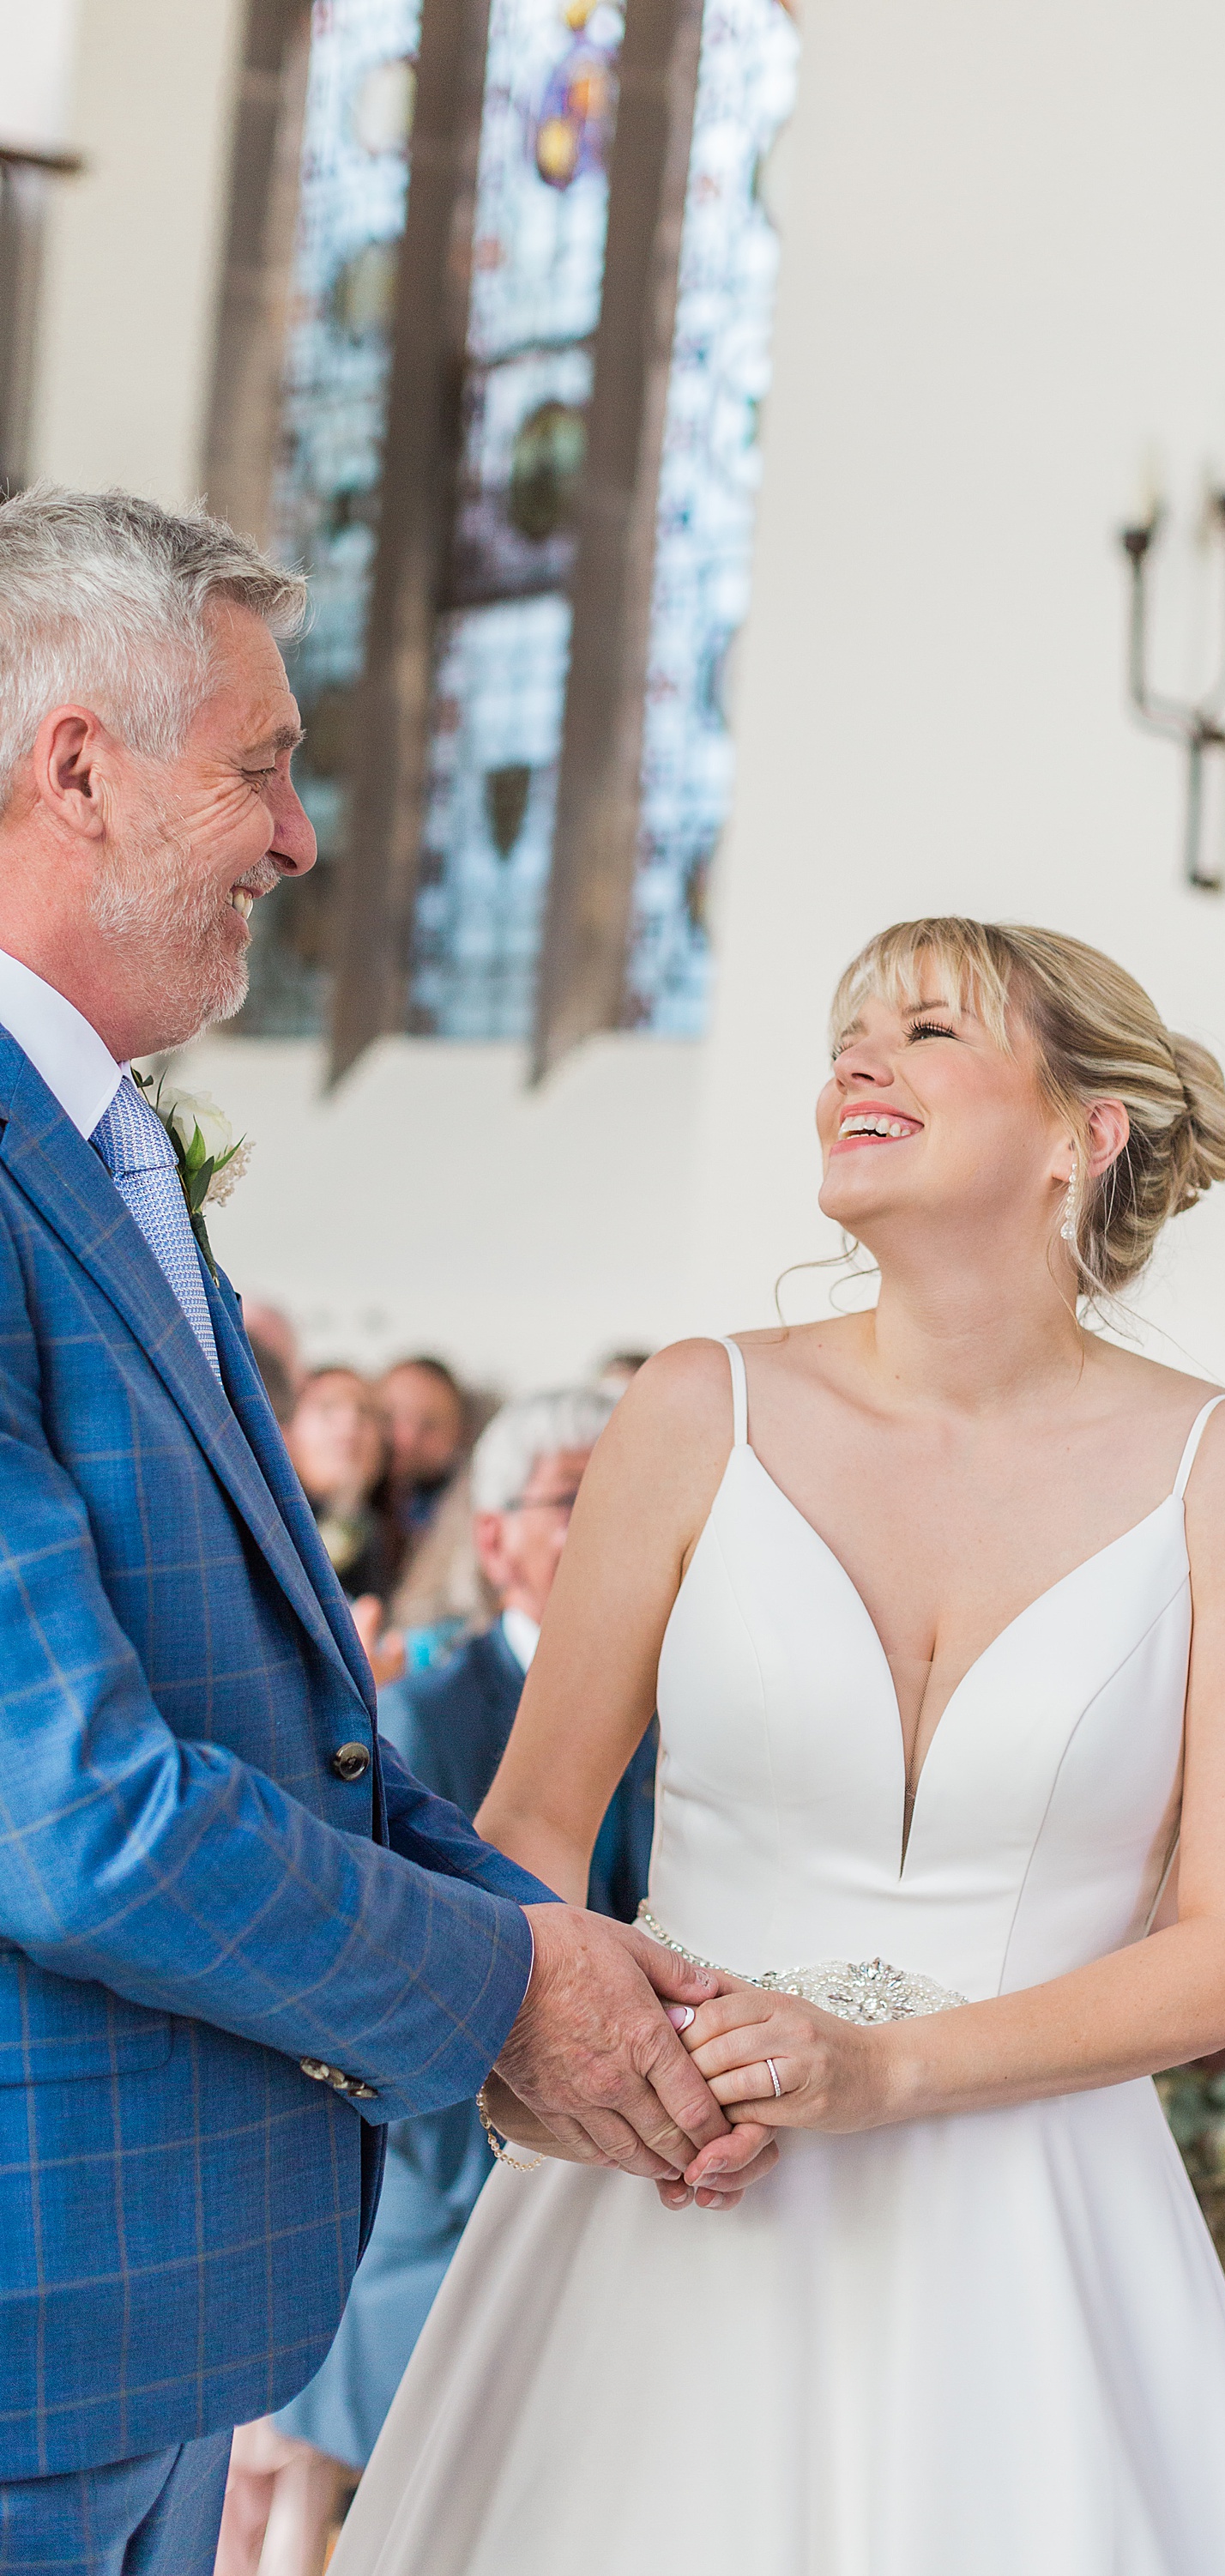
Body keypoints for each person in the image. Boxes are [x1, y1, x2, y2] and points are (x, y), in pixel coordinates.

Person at [335, 915, 1225, 2576]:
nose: (855, 1065)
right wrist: (561, 2063)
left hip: (1031, 2226)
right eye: (843, 1036)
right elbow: (535, 1823)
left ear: (1086, 1133)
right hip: (674, 2180)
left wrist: (891, 2069)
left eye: (928, 1031)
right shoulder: (693, 1405)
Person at [0, 487, 769, 2576]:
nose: (298, 834)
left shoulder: (98, 1142)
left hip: (139, 2317)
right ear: (73, 764)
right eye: (260, 764)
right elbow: (72, 1807)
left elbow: (277, 1723)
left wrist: (550, 1959)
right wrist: (510, 1984)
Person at [262, 1388, 657, 2485]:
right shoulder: (428, 1712)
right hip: (454, 2180)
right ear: (494, 1538)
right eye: (579, 1497)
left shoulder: (693, 1705)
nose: (623, 1523)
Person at [284, 1363, 395, 1599]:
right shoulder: (270, 1531)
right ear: (286, 1435)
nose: (350, 1424)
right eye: (328, 1408)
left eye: (365, 1412)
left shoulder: (403, 1542)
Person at [377, 1354, 468, 1544]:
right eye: (390, 1416)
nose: (406, 1438)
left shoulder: (460, 1513)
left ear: (456, 1435)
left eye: (429, 1425)